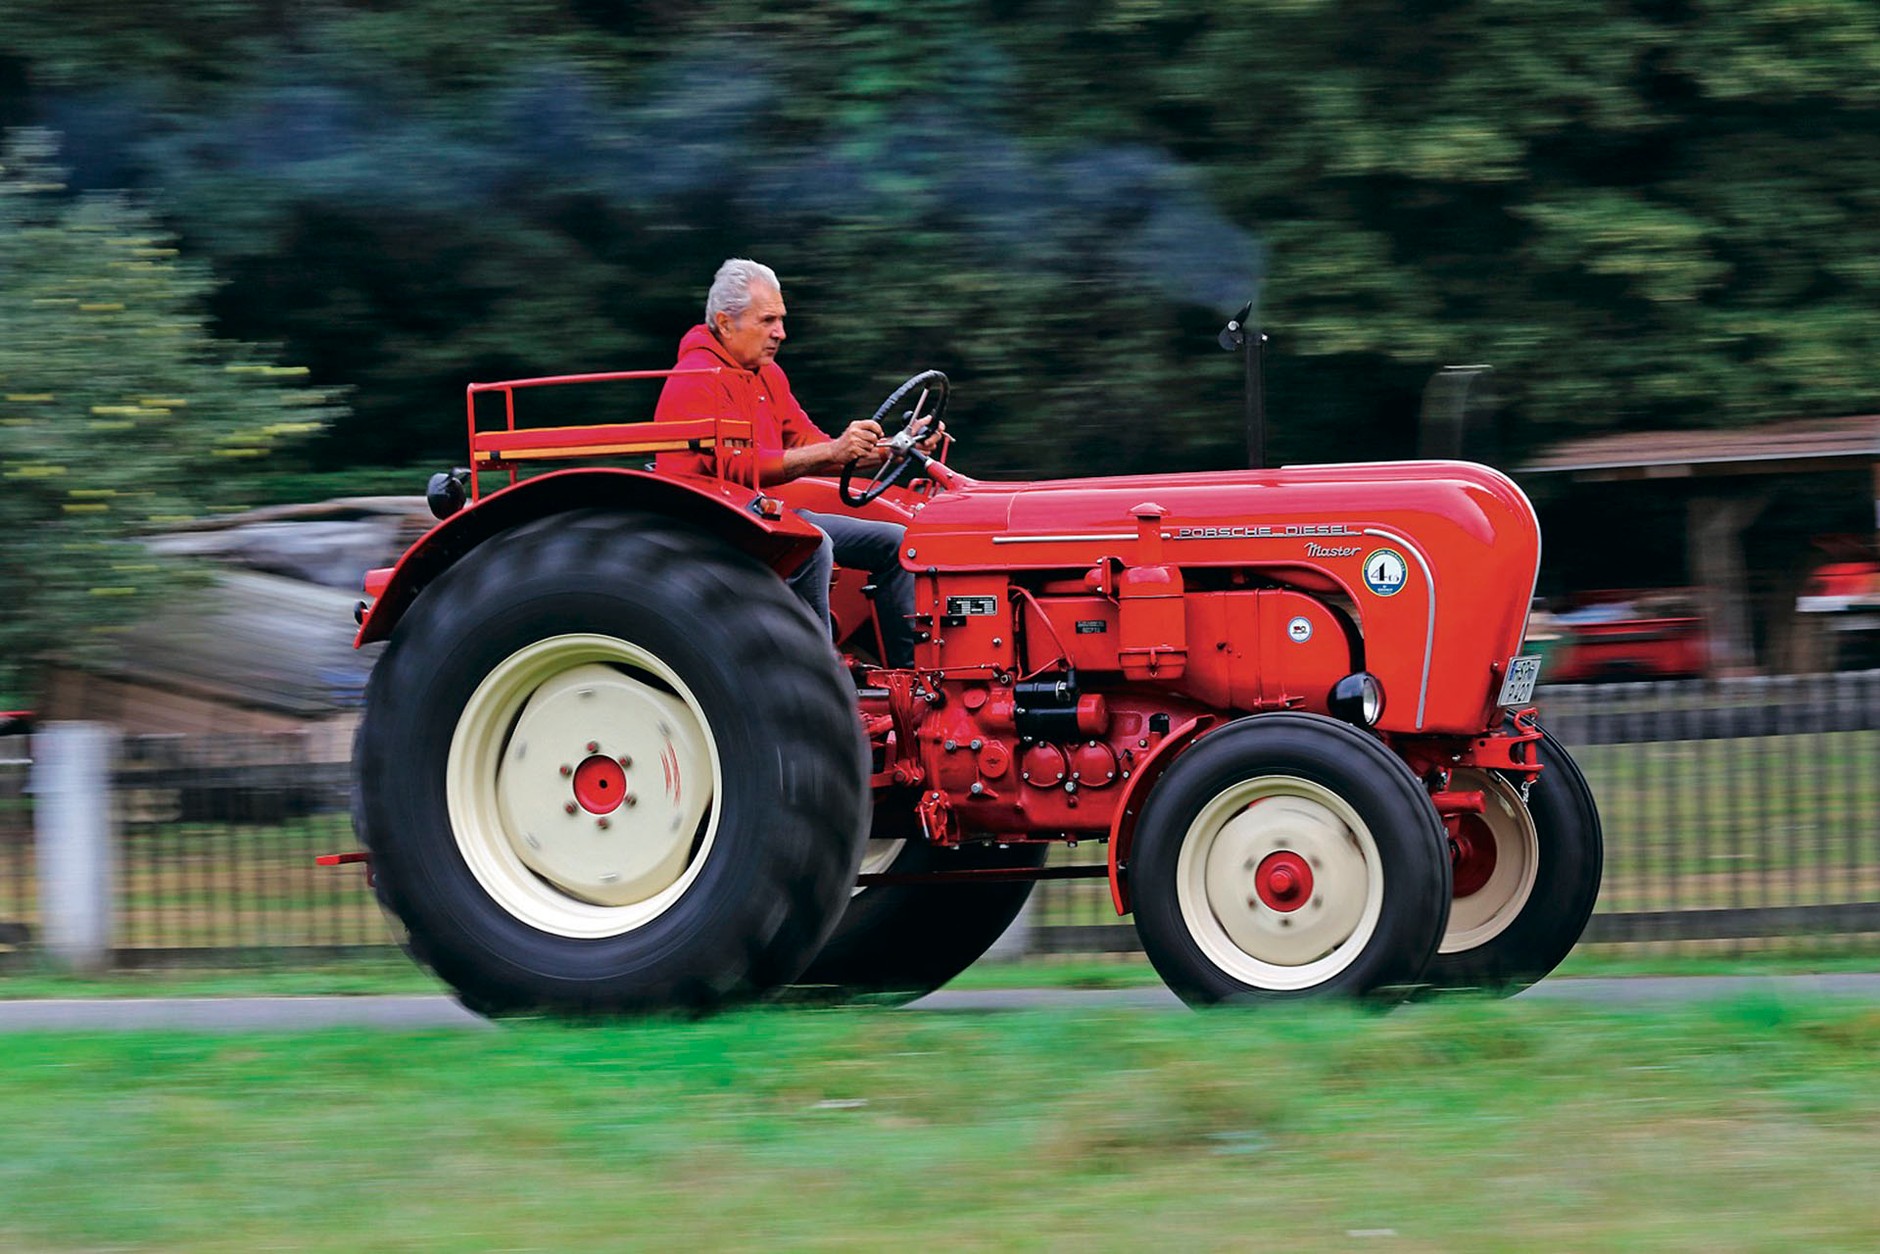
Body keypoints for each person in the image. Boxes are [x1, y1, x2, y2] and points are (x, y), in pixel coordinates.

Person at [653, 258, 926, 667]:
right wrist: (833, 451)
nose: (781, 333)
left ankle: (913, 680)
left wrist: (892, 447)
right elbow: (742, 466)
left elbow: (807, 442)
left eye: (780, 320)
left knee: (895, 543)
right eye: (768, 321)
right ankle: (820, 681)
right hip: (711, 523)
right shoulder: (696, 378)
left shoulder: (767, 375)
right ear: (726, 323)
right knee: (813, 544)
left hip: (761, 515)